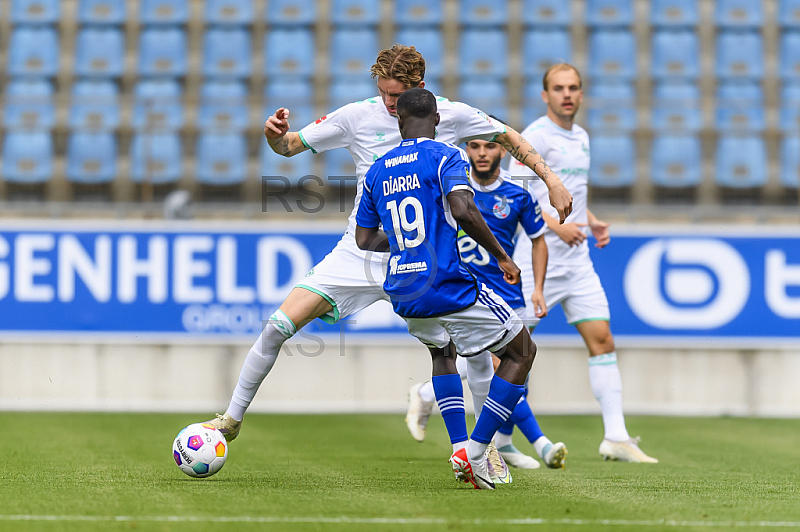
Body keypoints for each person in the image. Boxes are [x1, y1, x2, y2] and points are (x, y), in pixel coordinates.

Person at [204, 45, 572, 444]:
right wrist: (274, 135)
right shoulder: (355, 116)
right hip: (361, 251)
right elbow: (291, 145)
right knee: (277, 326)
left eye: (396, 96)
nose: (389, 103)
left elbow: (508, 136)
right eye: (383, 93)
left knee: (467, 354)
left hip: (421, 257)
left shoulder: (448, 113)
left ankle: (485, 450)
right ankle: (232, 418)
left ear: (420, 90)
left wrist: (550, 179)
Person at [355, 87, 538, 490]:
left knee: (443, 353)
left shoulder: (378, 169)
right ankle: (473, 451)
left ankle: (459, 446)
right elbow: (462, 208)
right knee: (521, 350)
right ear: (436, 120)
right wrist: (502, 257)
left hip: (403, 289)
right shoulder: (446, 155)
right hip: (443, 281)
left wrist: (409, 245)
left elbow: (364, 240)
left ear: (398, 121)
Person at [510, 63, 657, 463]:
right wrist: (558, 228)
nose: (567, 94)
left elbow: (573, 193)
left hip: (577, 264)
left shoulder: (582, 137)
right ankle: (434, 398)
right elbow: (515, 197)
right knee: (508, 355)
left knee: (603, 339)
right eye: (558, 88)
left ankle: (616, 436)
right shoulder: (534, 136)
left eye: (573, 87)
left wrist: (591, 221)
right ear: (545, 95)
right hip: (535, 260)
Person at [405, 132, 568, 473]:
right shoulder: (449, 183)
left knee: (508, 372)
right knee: (503, 366)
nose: (481, 153)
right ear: (466, 149)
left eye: (490, 145)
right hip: (466, 293)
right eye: (474, 146)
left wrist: (538, 288)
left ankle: (438, 403)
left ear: (502, 150)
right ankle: (535, 445)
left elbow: (539, 241)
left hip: (508, 295)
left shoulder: (518, 193)